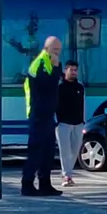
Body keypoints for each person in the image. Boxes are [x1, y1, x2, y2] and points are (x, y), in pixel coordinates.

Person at [21, 36, 64, 197]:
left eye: (59, 50)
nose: (57, 53)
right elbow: (49, 84)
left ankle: (45, 183)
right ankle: (27, 184)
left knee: (48, 151)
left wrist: (56, 66)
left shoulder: (49, 62)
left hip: (47, 115)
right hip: (38, 114)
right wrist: (56, 66)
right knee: (36, 151)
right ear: (46, 49)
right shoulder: (40, 63)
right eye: (55, 50)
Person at [55, 60, 85, 187]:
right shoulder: (60, 87)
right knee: (65, 151)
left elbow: (83, 104)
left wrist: (83, 121)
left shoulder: (80, 87)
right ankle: (67, 175)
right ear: (65, 71)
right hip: (63, 123)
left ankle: (68, 173)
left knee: (75, 150)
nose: (73, 73)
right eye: (71, 70)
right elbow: (54, 105)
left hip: (78, 123)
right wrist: (56, 121)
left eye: (75, 70)